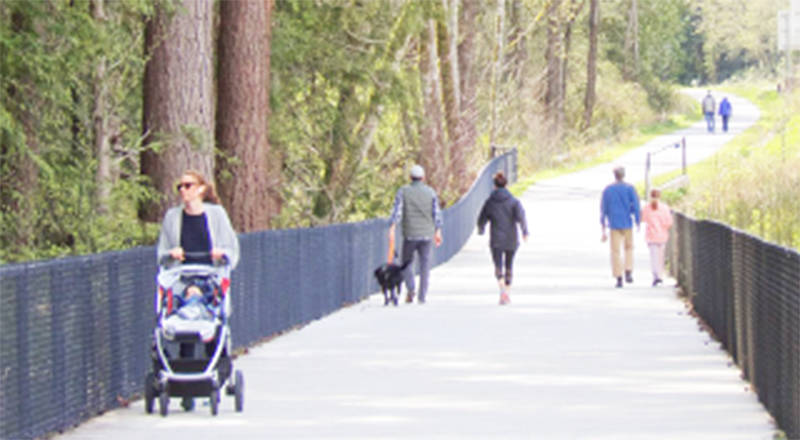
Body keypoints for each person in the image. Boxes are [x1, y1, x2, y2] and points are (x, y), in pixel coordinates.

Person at [156, 169, 239, 410]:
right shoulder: (173, 218)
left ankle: (213, 376)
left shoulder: (216, 215)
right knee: (184, 321)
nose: (183, 190)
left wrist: (221, 254)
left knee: (214, 322)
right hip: (182, 278)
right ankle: (185, 386)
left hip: (211, 277)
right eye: (180, 187)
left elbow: (232, 248)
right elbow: (161, 254)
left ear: (201, 189)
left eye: (188, 185)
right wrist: (171, 255)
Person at [388, 164, 443, 304]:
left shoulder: (403, 191)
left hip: (410, 234)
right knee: (425, 265)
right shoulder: (431, 192)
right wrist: (438, 231)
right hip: (427, 235)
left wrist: (392, 226)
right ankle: (422, 296)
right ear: (423, 178)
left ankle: (411, 289)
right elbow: (436, 213)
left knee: (406, 263)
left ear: (410, 177)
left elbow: (397, 211)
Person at [477, 172, 528, 305]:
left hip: (496, 240)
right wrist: (525, 232)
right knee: (509, 265)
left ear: (494, 186)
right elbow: (521, 217)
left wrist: (481, 229)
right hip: (511, 238)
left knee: (498, 265)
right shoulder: (514, 201)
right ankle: (507, 292)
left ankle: (502, 289)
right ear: (506, 185)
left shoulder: (490, 202)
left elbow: (482, 218)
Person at [600, 166, 641, 288]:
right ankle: (628, 270)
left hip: (614, 223)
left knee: (615, 251)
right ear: (624, 175)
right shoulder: (629, 188)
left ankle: (618, 276)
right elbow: (636, 205)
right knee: (629, 247)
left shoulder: (608, 190)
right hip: (627, 222)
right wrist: (637, 220)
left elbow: (603, 208)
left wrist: (603, 225)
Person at [641, 189, 673, 287]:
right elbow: (669, 222)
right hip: (662, 235)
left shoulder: (647, 208)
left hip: (651, 235)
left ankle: (656, 276)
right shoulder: (665, 208)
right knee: (661, 256)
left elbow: (643, 219)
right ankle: (660, 275)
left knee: (654, 256)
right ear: (660, 196)